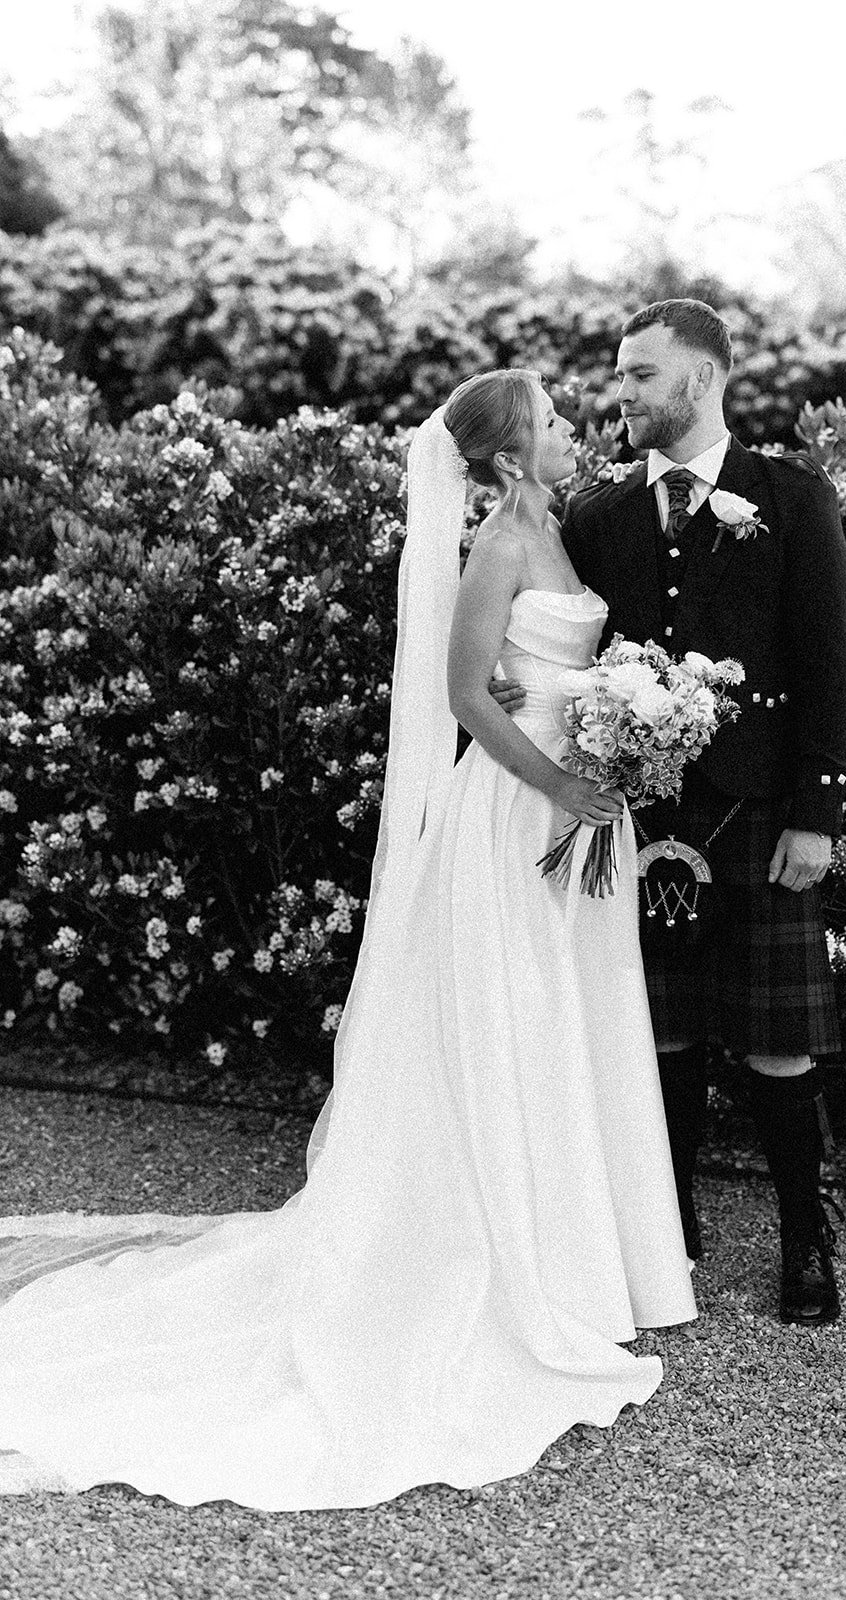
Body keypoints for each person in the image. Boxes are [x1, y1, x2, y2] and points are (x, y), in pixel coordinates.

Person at [0, 370, 696, 1512]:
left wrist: (622, 734)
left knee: (563, 1019)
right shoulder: (492, 552)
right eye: (556, 424)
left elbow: (564, 675)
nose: (576, 433)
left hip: (578, 811)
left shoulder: (557, 530)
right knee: (508, 1020)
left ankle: (579, 1260)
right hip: (516, 810)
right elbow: (468, 696)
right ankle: (502, 1262)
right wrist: (563, 778)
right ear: (511, 454)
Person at [495, 301, 846, 1325]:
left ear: (698, 381)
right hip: (633, 814)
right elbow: (548, 640)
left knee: (776, 1043)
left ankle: (803, 1236)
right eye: (619, 375)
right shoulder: (599, 516)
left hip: (754, 810)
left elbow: (831, 665)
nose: (620, 393)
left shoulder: (790, 499)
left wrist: (816, 812)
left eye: (639, 376)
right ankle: (671, 1230)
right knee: (655, 1037)